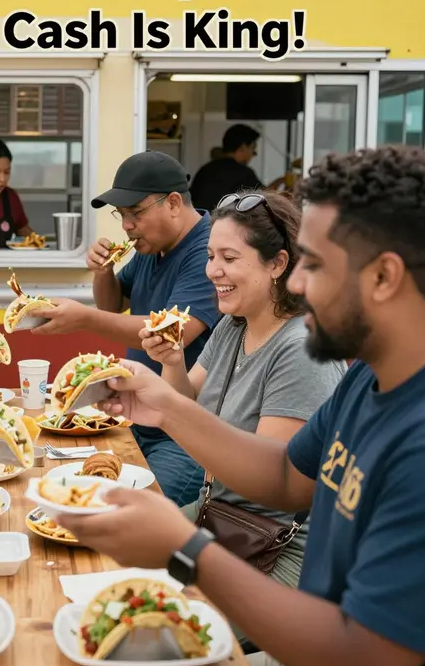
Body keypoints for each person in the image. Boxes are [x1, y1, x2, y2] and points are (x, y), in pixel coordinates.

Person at [59, 146, 425, 666]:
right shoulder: (367, 381)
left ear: (384, 277)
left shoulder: (420, 441)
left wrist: (184, 548)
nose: (299, 286)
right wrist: (165, 403)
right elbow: (284, 476)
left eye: (316, 264)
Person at [142, 190, 346, 611]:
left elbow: (272, 483)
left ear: (277, 264)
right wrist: (172, 362)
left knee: (156, 613)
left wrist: (164, 408)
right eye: (211, 256)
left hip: (276, 547)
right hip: (217, 516)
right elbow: (188, 400)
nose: (213, 270)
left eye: (229, 259)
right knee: (110, 561)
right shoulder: (234, 324)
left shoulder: (302, 349)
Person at [32, 151, 221, 505]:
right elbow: (113, 304)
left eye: (136, 213)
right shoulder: (153, 246)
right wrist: (102, 272)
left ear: (174, 203)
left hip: (183, 437)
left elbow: (173, 333)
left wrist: (84, 319)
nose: (126, 226)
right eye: (122, 215)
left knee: (129, 515)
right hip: (137, 417)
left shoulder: (207, 252)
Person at [190, 124, 264, 212]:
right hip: (222, 223)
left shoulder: (205, 170)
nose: (254, 154)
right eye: (252, 148)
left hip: (200, 222)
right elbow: (265, 198)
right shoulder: (244, 173)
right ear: (242, 147)